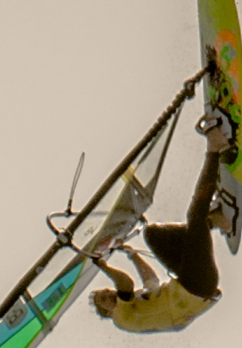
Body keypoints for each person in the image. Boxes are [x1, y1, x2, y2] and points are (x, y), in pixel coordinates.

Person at [90, 116, 232, 334]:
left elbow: (150, 280)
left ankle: (214, 221)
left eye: (105, 292)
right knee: (195, 216)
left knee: (153, 234)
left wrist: (132, 255)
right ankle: (215, 148)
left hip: (187, 281)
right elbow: (126, 284)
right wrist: (103, 266)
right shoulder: (122, 318)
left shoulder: (138, 304)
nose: (109, 295)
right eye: (104, 300)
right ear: (107, 312)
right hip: (197, 288)